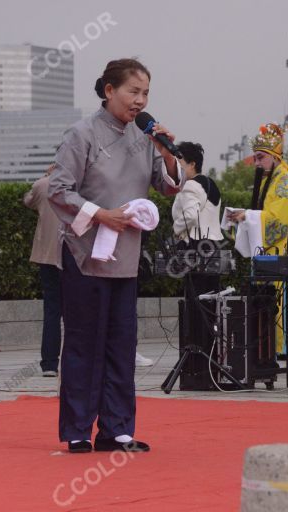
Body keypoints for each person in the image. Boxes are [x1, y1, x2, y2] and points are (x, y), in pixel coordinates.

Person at [49, 58, 185, 453]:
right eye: (133, 91)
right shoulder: (81, 134)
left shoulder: (145, 138)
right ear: (109, 90)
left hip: (126, 256)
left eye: (145, 93)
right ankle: (77, 430)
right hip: (85, 254)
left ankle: (117, 429)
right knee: (82, 344)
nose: (140, 101)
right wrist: (100, 214)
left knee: (122, 344)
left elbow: (168, 186)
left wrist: (168, 152)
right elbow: (57, 189)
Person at [227, 123, 288, 355]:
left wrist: (247, 216)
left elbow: (278, 222)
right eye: (256, 158)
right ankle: (270, 347)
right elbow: (266, 215)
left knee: (282, 303)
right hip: (273, 253)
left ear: (274, 156)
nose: (257, 163)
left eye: (261, 157)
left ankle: (282, 347)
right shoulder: (272, 180)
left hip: (284, 253)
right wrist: (244, 216)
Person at [24, 163, 63, 377]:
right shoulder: (80, 184)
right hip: (75, 257)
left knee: (52, 311)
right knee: (79, 311)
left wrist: (46, 175)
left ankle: (49, 363)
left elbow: (28, 201)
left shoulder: (42, 185)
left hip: (47, 256)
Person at [171, 141, 222, 246]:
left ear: (192, 164)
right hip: (212, 244)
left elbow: (191, 216)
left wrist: (176, 228)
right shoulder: (211, 183)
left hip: (192, 245)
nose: (176, 168)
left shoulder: (190, 185)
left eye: (179, 164)